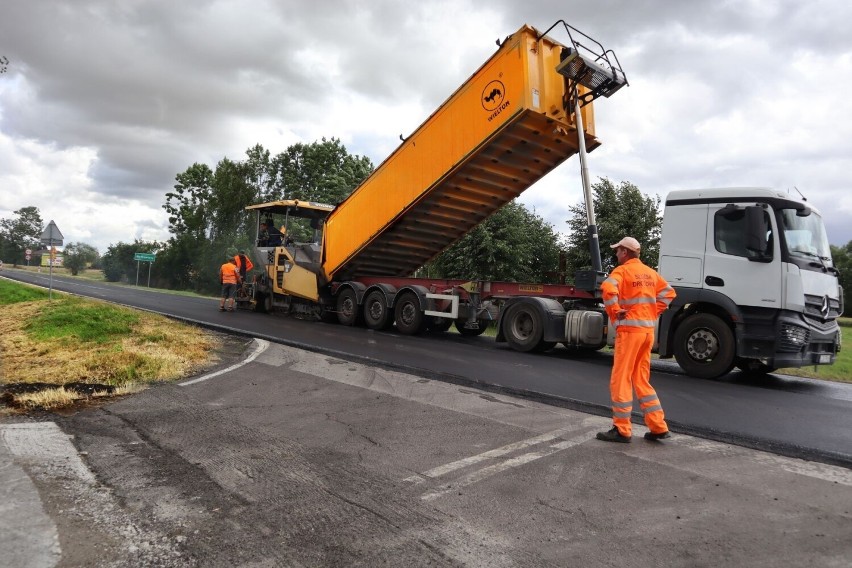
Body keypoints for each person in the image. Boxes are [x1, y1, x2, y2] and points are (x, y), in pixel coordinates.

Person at [596, 236, 676, 443]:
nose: (615, 254)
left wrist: (615, 312)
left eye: (617, 250)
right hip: (647, 333)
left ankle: (622, 429)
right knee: (641, 379)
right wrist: (652, 312)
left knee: (621, 378)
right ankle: (658, 426)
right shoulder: (650, 273)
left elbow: (607, 289)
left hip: (630, 333)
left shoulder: (621, 271)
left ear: (624, 252)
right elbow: (669, 294)